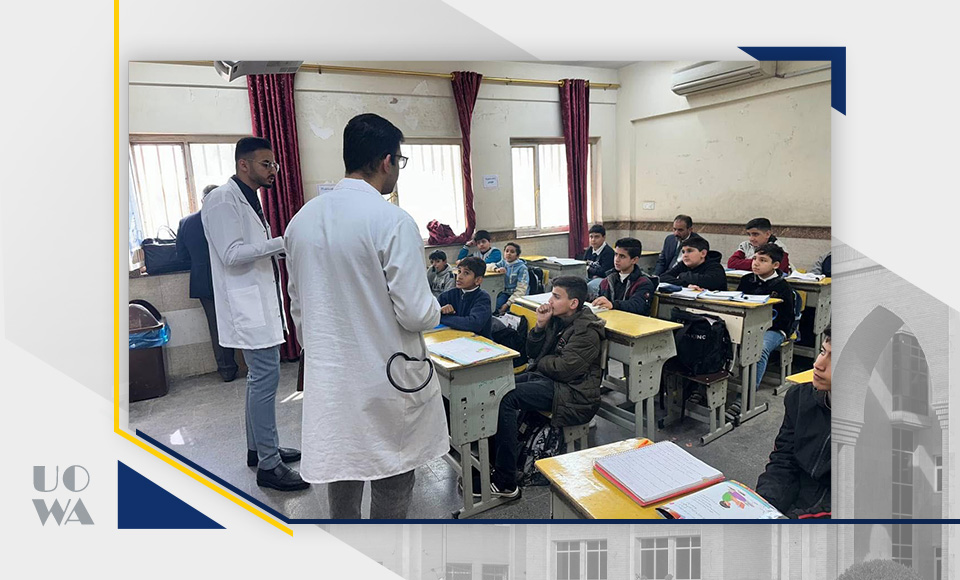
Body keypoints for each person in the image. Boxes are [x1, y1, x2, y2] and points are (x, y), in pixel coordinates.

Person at [284, 113, 447, 518]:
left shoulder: (301, 221)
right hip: (385, 378)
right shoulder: (391, 220)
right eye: (399, 161)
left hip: (332, 380)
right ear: (387, 161)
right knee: (392, 478)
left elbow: (298, 307)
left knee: (343, 469)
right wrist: (435, 307)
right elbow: (415, 313)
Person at [202, 137, 307, 492]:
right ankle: (269, 465)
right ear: (243, 164)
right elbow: (231, 254)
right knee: (265, 378)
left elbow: (250, 249)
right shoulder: (222, 200)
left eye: (274, 164)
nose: (273, 170)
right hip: (245, 307)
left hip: (257, 302)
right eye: (266, 164)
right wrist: (281, 243)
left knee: (258, 379)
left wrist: (279, 249)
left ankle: (258, 449)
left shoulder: (248, 197)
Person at [488, 276, 605, 497]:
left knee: (508, 398)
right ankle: (494, 459)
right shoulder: (557, 320)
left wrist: (542, 361)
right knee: (500, 387)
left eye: (556, 296)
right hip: (551, 380)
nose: (550, 301)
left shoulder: (587, 331)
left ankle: (506, 481)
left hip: (573, 393)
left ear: (573, 303)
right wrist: (540, 326)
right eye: (552, 295)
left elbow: (564, 369)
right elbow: (531, 353)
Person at [756, 325, 831, 519]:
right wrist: (764, 505)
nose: (818, 364)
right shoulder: (799, 398)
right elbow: (783, 460)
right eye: (823, 351)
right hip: (795, 505)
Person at [177, 184, 238, 382]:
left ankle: (227, 370)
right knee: (242, 319)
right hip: (232, 277)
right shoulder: (229, 218)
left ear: (203, 200)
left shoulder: (186, 222)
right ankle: (252, 364)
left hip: (203, 280)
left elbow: (181, 256)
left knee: (215, 325)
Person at [735, 243, 795, 388]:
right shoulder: (747, 280)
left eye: (762, 260)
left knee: (760, 348)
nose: (756, 263)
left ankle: (748, 393)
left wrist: (762, 326)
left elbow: (786, 318)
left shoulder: (782, 286)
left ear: (775, 265)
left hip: (774, 329)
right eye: (754, 258)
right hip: (748, 325)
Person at [592, 237, 657, 316]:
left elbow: (637, 306)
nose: (617, 259)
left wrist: (613, 305)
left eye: (622, 256)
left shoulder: (643, 283)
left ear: (634, 260)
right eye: (616, 254)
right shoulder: (607, 280)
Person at [437, 257, 493, 339]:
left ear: (478, 280)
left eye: (466, 273)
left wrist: (442, 317)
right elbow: (432, 314)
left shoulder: (482, 298)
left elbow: (474, 324)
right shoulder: (448, 295)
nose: (459, 276)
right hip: (453, 338)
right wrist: (440, 311)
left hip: (478, 341)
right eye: (459, 271)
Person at [658, 236, 727, 291]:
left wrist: (682, 276)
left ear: (703, 253)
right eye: (683, 252)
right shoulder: (682, 265)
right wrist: (686, 284)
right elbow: (663, 277)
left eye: (689, 251)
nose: (685, 255)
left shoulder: (715, 267)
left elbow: (708, 282)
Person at [493, 242, 530, 314]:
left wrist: (507, 304)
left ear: (517, 256)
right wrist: (496, 269)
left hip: (519, 296)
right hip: (506, 293)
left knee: (511, 311)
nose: (508, 253)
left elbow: (521, 290)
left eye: (512, 252)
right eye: (507, 251)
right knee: (494, 306)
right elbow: (487, 266)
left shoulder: (522, 268)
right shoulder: (503, 263)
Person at [581, 224, 615, 295]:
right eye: (591, 237)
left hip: (604, 279)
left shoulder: (609, 252)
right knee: (577, 284)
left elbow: (604, 272)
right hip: (590, 277)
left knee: (589, 286)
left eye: (597, 237)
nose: (593, 240)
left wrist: (589, 269)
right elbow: (583, 265)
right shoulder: (589, 250)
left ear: (604, 237)